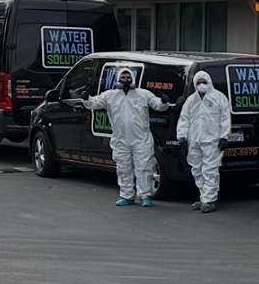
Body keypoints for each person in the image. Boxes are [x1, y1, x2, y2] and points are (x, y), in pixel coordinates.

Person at [76, 67, 172, 207]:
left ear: (133, 79)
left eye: (128, 77)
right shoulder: (110, 95)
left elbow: (157, 105)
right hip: (121, 139)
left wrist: (163, 102)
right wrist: (87, 99)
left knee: (144, 167)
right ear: (118, 79)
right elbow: (95, 103)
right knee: (123, 168)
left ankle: (145, 195)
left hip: (141, 139)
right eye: (123, 78)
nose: (126, 80)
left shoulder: (143, 94)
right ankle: (126, 195)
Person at [176, 69, 232, 213]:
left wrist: (224, 136)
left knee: (210, 170)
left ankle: (209, 200)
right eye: (199, 82)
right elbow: (184, 119)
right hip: (194, 140)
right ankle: (203, 196)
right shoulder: (191, 100)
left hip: (213, 141)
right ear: (195, 84)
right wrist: (182, 135)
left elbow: (225, 118)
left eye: (204, 82)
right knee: (197, 169)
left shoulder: (219, 98)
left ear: (209, 82)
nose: (202, 85)